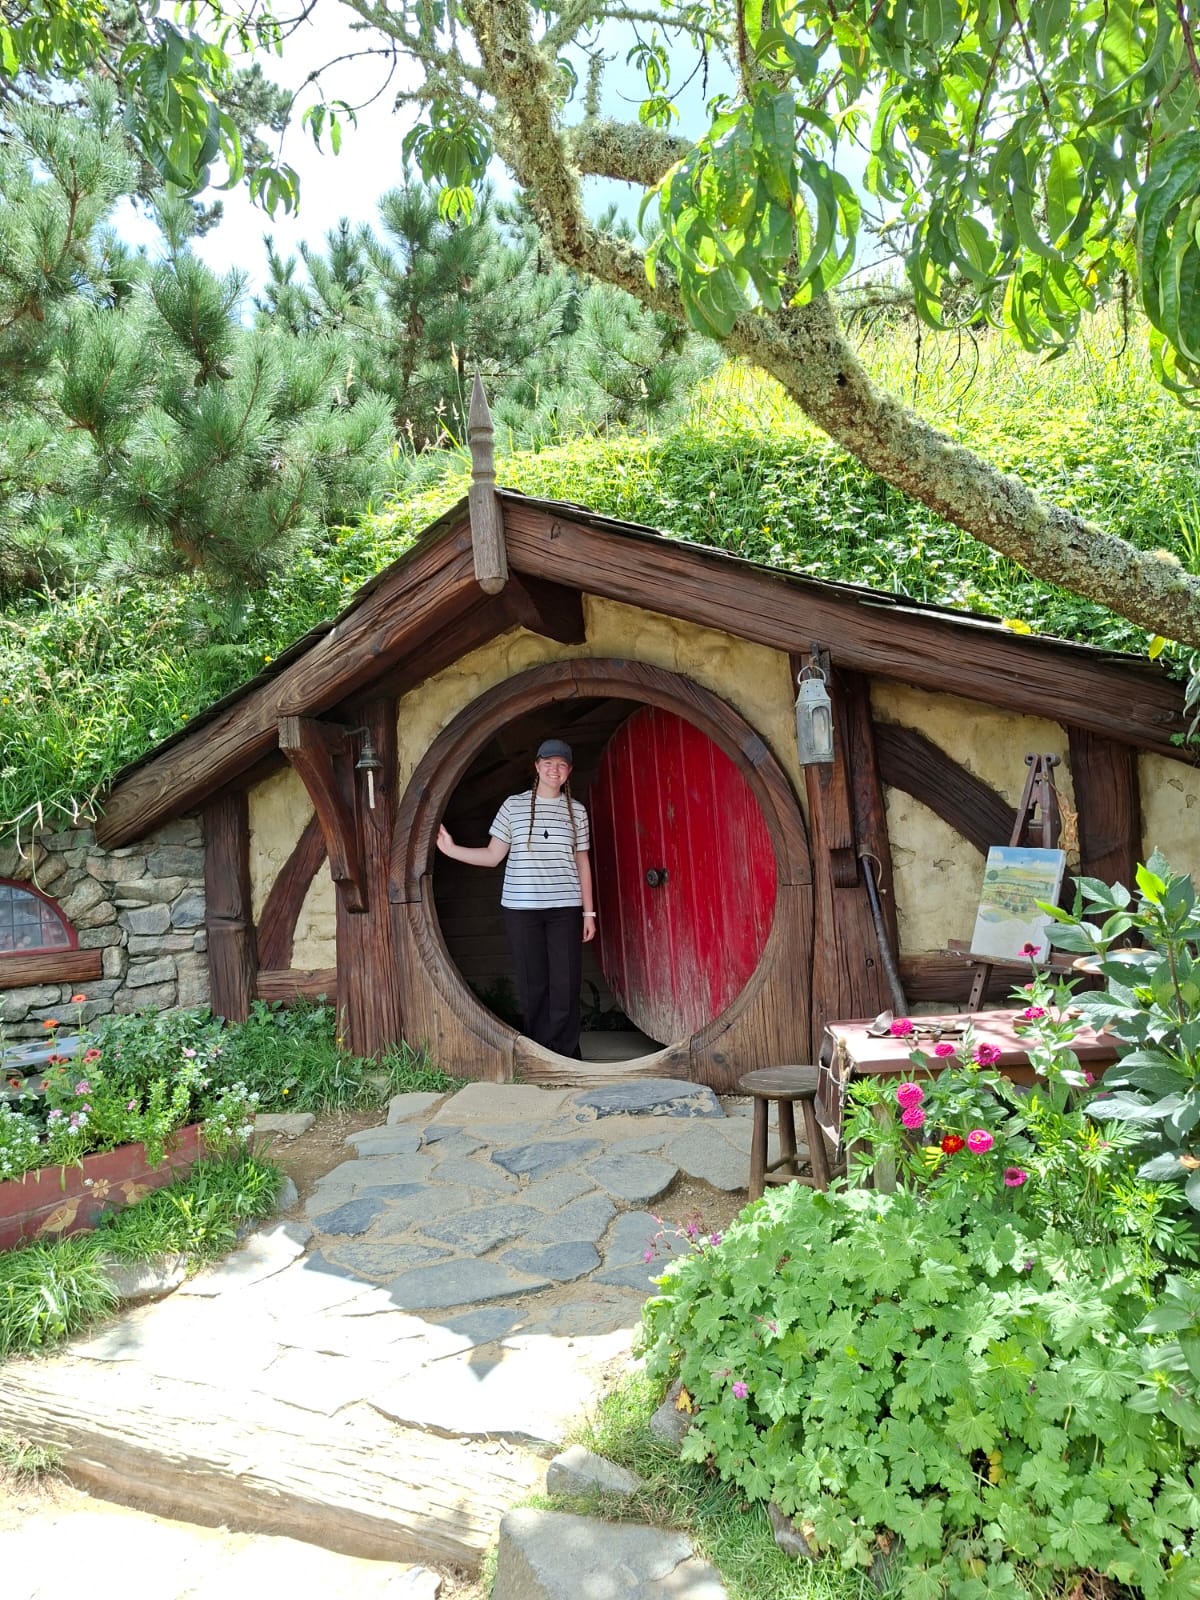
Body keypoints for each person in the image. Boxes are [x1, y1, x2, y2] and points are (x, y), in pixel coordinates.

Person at [436, 738, 596, 1058]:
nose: (554, 770)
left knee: (565, 982)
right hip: (522, 909)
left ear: (569, 771)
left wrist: (589, 913)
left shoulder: (577, 811)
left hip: (565, 908)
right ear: (536, 766)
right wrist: (451, 850)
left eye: (561, 765)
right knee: (533, 981)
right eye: (548, 763)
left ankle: (566, 1053)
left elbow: (582, 862)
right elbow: (493, 856)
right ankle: (539, 1053)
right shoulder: (513, 806)